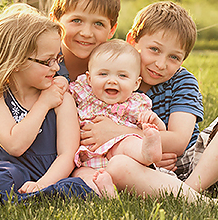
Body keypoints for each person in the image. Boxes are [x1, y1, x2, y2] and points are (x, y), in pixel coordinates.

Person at [90, 1, 218, 199]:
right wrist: (148, 157)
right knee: (118, 166)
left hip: (196, 169)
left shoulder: (182, 81)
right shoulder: (112, 78)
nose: (161, 64)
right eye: (154, 49)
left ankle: (190, 193)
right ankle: (196, 201)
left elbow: (179, 141)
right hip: (144, 171)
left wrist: (116, 132)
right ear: (132, 41)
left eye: (174, 57)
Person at [0, 3, 94, 201]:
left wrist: (42, 184)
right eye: (47, 61)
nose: (56, 67)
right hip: (14, 173)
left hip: (54, 174)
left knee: (76, 184)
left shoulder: (62, 97)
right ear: (17, 61)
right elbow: (15, 145)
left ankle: (35, 195)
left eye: (58, 59)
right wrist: (43, 104)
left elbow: (68, 154)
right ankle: (38, 197)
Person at [66, 39, 166, 196]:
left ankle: (146, 154)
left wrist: (154, 122)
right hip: (88, 158)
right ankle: (105, 191)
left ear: (136, 83)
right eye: (103, 74)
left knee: (129, 142)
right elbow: (64, 91)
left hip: (120, 153)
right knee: (80, 175)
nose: (112, 80)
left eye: (122, 75)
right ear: (89, 79)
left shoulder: (136, 103)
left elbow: (161, 129)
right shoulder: (83, 92)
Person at [49, 0, 122, 83]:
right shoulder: (37, 64)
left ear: (112, 30)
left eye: (98, 24)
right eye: (76, 21)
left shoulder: (120, 71)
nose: (86, 33)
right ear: (54, 21)